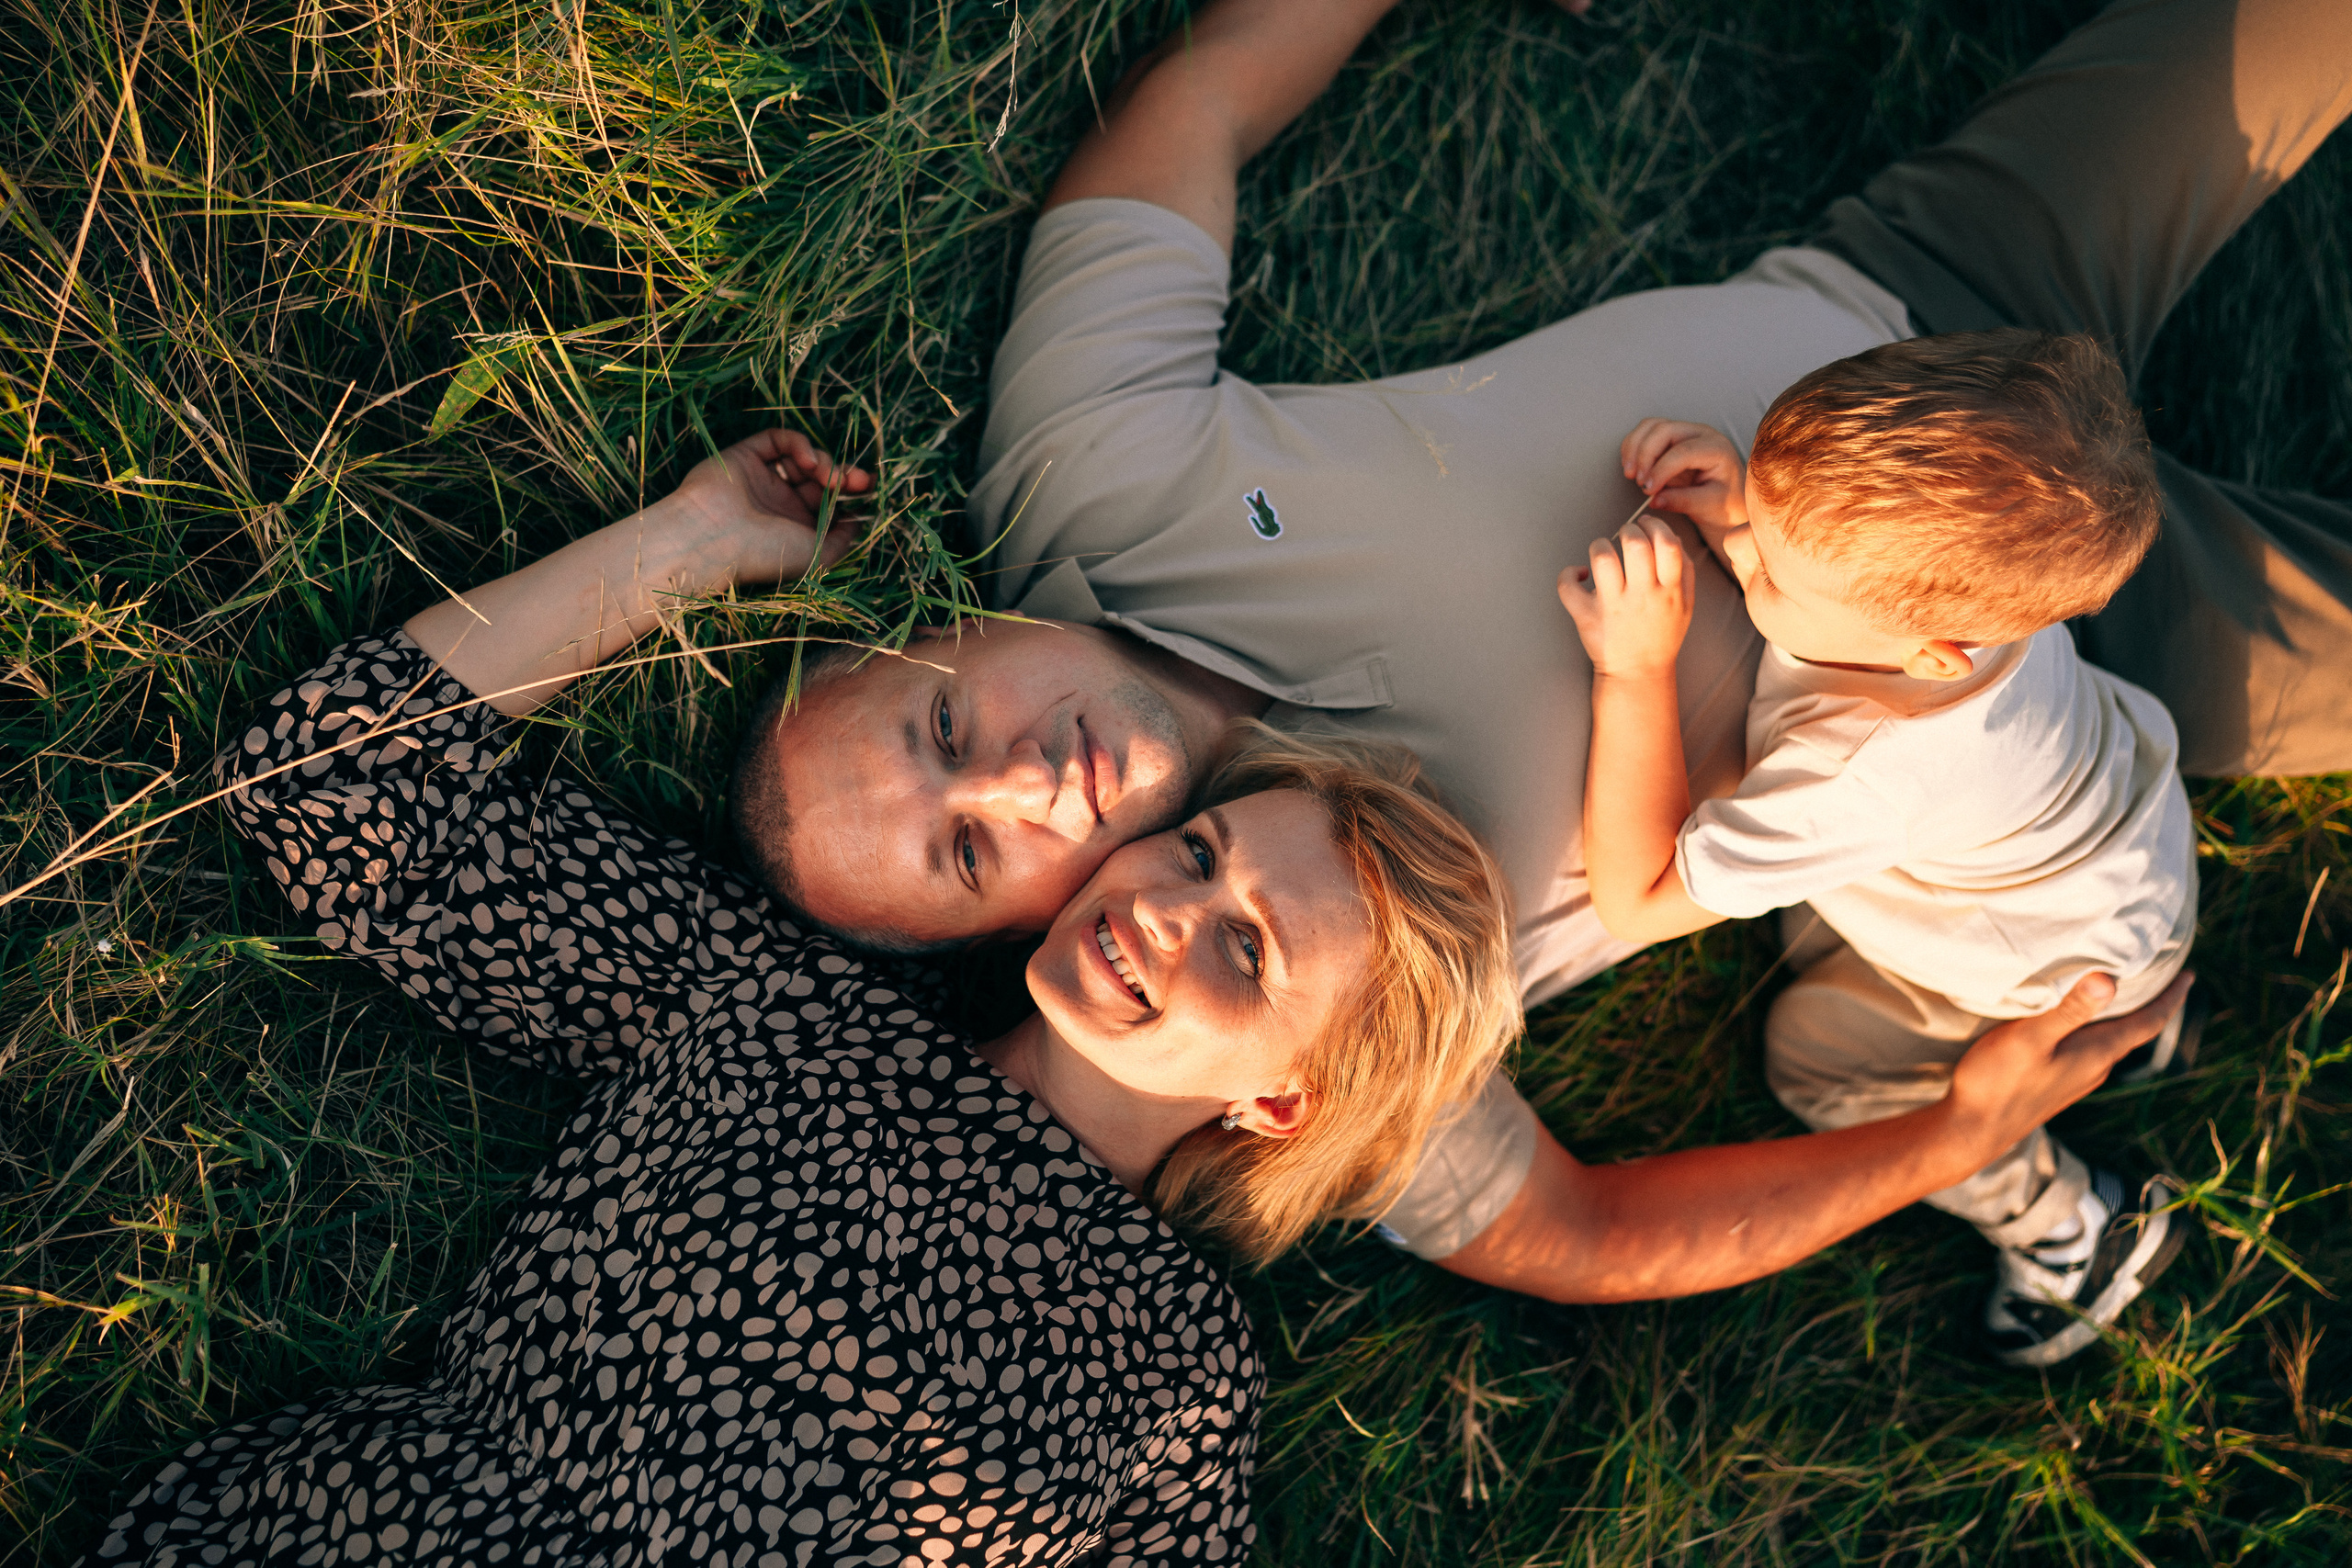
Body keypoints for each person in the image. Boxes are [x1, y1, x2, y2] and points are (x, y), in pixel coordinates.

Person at [725, 0, 2344, 1309]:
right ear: (1005, 929)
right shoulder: (1331, 1001)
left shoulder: (1086, 470)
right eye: (965, 854)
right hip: (2028, 705)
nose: (1019, 780)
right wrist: (1955, 1135)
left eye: (944, 728)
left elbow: (1204, 100)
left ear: (944, 623)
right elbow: (1581, 1238)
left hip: (1924, 313)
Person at [91, 612, 1523, 1562]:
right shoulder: (772, 998)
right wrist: (693, 540)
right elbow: (336, 788)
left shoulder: (1185, 1387)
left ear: (1282, 1101)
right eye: (1202, 852)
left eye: (1246, 945)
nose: (1164, 904)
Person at [1557, 331, 2199, 1366]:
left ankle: (2073, 1228)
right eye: (1763, 522)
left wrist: (1633, 672)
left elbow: (1634, 898)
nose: (1747, 558)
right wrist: (1740, 514)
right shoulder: (1971, 603)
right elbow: (1840, 578)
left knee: (1818, 1052)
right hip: (2114, 871)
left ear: (1927, 654)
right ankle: (2147, 1024)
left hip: (2046, 967)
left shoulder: (1864, 771)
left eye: (1773, 570)